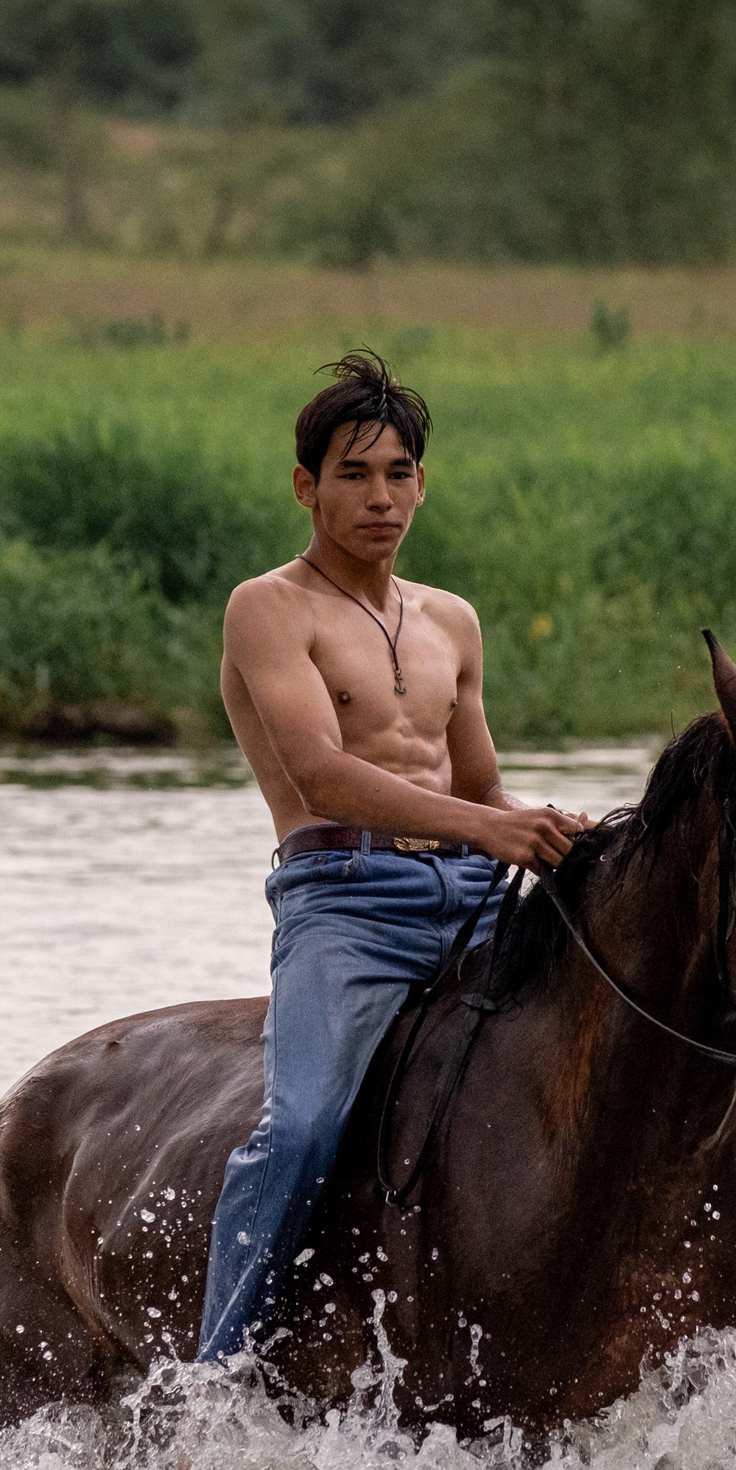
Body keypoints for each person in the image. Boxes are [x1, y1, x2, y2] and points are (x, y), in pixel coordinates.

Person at [199, 350, 591, 1363]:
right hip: (346, 901)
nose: (380, 497)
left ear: (422, 484)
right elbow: (321, 775)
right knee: (299, 1130)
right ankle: (215, 1378)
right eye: (354, 474)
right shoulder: (267, 608)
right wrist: (485, 828)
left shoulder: (451, 619)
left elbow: (483, 788)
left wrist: (554, 830)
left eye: (398, 473)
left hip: (476, 895)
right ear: (306, 486)